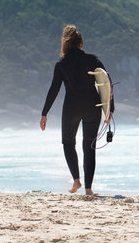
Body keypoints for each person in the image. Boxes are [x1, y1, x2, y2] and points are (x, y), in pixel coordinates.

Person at [40, 25, 114, 196]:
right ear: (81, 44)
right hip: (92, 107)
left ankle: (76, 180)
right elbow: (107, 84)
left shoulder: (61, 63)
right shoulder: (93, 59)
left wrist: (44, 113)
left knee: (68, 143)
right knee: (89, 147)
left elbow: (54, 90)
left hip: (71, 108)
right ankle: (88, 189)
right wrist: (110, 109)